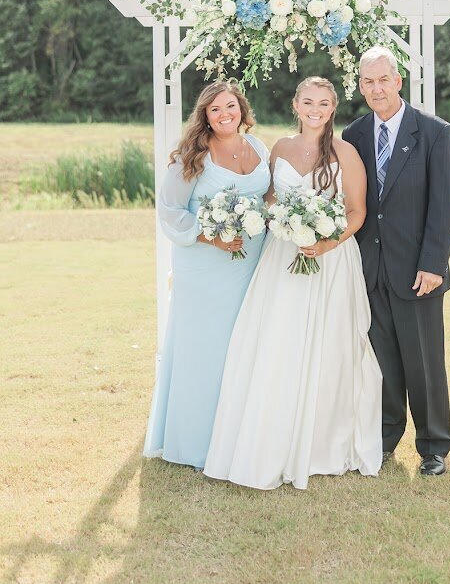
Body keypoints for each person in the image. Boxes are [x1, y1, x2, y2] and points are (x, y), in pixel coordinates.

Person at [204, 77, 382, 490]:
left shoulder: (346, 153)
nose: (315, 109)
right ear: (295, 105)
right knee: (277, 342)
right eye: (308, 102)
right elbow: (269, 198)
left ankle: (322, 443)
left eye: (323, 103)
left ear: (332, 108)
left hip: (330, 261)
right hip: (282, 258)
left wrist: (325, 242)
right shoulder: (280, 149)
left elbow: (356, 212)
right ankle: (272, 435)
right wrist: (280, 218)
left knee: (327, 346)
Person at [342, 47, 450, 476]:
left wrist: (433, 263)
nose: (376, 88)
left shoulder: (434, 132)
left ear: (398, 80)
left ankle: (433, 446)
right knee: (382, 362)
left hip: (418, 272)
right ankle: (385, 437)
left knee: (424, 361)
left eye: (383, 79)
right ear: (361, 87)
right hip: (370, 270)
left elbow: (446, 205)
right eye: (368, 81)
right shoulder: (353, 135)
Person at [143, 81, 270, 470]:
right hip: (204, 266)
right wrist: (209, 235)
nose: (224, 114)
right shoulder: (192, 156)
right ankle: (196, 442)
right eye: (214, 110)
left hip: (249, 265)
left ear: (241, 108)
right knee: (204, 351)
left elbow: (266, 197)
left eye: (229, 105)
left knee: (242, 347)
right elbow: (169, 209)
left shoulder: (259, 148)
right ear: (205, 116)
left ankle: (236, 436)